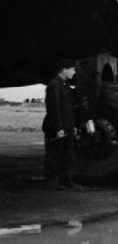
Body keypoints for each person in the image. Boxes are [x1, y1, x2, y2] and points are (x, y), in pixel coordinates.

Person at [42, 59, 79, 190]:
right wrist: (58, 128)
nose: (74, 72)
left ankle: (66, 181)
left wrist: (72, 126)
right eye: (72, 69)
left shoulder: (65, 86)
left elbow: (68, 108)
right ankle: (52, 183)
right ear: (64, 69)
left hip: (67, 127)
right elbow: (53, 109)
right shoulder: (54, 85)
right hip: (57, 128)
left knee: (67, 155)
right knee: (54, 155)